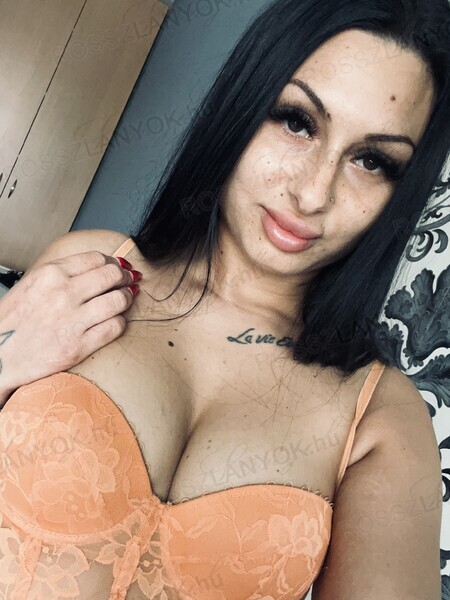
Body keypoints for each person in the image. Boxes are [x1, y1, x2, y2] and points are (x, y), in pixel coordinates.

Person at [0, 0, 448, 597]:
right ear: (243, 105)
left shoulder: (382, 418)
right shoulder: (88, 267)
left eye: (372, 161)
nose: (313, 193)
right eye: (297, 122)